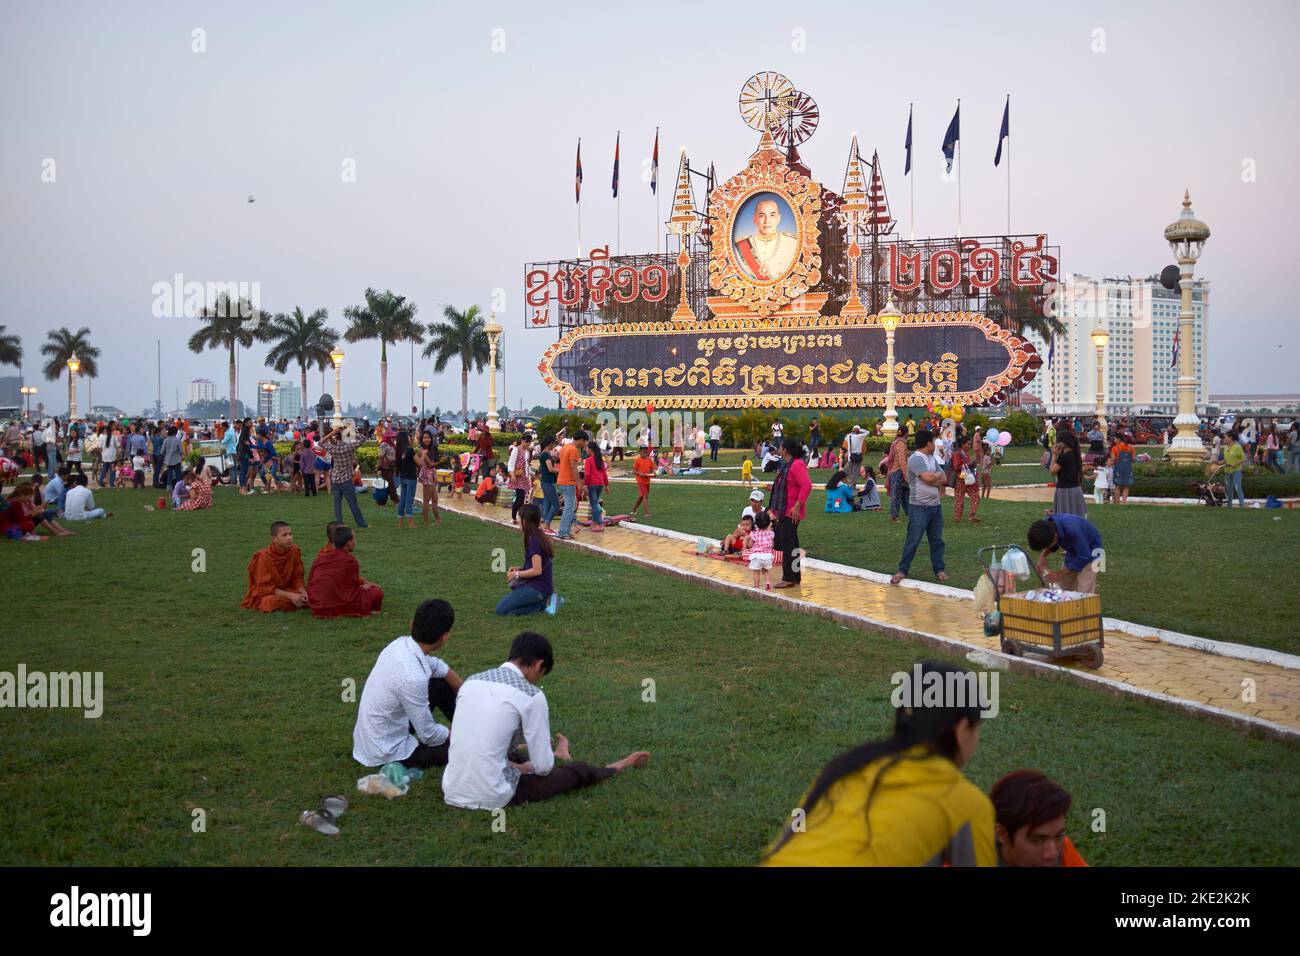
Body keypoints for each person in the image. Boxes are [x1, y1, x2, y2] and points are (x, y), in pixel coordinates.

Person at [762, 661, 995, 866]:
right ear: (962, 728)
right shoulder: (965, 805)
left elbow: (791, 835)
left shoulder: (844, 769)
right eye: (977, 729)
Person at [441, 632, 650, 810]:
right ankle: (618, 765)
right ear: (539, 664)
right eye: (541, 674)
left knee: (497, 746)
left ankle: (540, 758)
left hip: (452, 787)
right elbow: (543, 769)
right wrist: (533, 765)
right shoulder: (530, 695)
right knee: (575, 772)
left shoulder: (471, 681)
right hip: (491, 794)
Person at [352, 599, 463, 769]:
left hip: (378, 734)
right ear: (445, 637)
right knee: (465, 748)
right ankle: (471, 735)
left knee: (439, 685)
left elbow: (436, 666)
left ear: (412, 624)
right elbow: (428, 734)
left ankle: (470, 724)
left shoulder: (400, 644)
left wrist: (466, 692)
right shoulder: (413, 677)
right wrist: (455, 736)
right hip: (386, 752)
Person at [991, 769, 1088, 867]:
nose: (1052, 854)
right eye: (1037, 840)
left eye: (1059, 836)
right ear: (1002, 834)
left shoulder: (1063, 848)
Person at [891, 429, 948, 585]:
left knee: (937, 540)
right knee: (913, 540)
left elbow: (944, 478)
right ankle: (902, 570)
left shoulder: (931, 459)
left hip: (935, 506)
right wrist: (934, 477)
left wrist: (933, 478)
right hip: (919, 508)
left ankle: (939, 569)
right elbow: (930, 478)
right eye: (933, 442)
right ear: (929, 443)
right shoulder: (916, 459)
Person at [496, 503, 562, 616]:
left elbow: (537, 570)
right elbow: (536, 566)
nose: (518, 521)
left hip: (538, 588)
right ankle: (543, 602)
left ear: (525, 521)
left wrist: (516, 574)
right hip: (540, 587)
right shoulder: (537, 536)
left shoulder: (534, 541)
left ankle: (544, 604)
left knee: (501, 610)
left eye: (519, 518)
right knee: (505, 610)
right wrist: (521, 568)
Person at [308, 525, 384, 617]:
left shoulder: (319, 559)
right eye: (354, 539)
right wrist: (364, 587)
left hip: (319, 607)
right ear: (348, 542)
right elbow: (352, 589)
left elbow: (310, 581)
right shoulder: (350, 561)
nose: (355, 542)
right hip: (343, 605)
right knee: (376, 591)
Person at [240, 521, 309, 612]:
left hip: (289, 588)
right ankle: (299, 602)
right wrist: (291, 596)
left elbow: (297, 576)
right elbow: (265, 587)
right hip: (270, 593)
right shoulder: (263, 556)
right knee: (269, 602)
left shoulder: (294, 550)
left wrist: (303, 592)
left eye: (290, 534)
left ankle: (300, 601)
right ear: (274, 539)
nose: (289, 538)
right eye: (284, 535)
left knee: (313, 592)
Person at [769, 438, 810, 589]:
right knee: (792, 542)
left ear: (785, 449)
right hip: (785, 510)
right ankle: (795, 576)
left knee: (787, 543)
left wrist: (798, 506)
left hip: (791, 511)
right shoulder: (789, 464)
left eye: (780, 447)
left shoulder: (797, 465)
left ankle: (788, 578)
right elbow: (788, 485)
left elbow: (807, 485)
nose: (779, 449)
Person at [1027, 513, 1103, 593]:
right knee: (1063, 587)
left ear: (1055, 537)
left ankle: (1084, 603)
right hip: (1073, 550)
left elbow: (1084, 556)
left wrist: (1060, 574)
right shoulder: (1047, 526)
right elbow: (1051, 544)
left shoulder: (1073, 529)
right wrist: (1042, 556)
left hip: (1091, 552)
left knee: (1084, 590)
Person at [323, 426, 368, 528]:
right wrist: (349, 433)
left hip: (335, 479)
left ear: (336, 438)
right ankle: (362, 524)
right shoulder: (349, 448)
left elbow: (321, 442)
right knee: (353, 504)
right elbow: (363, 438)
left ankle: (339, 524)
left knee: (337, 504)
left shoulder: (333, 448)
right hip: (346, 480)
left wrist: (332, 433)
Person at [555, 429, 586, 540]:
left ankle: (566, 531)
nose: (585, 444)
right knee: (569, 507)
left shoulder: (565, 447)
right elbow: (573, 468)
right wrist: (580, 484)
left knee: (571, 507)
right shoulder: (573, 450)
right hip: (568, 481)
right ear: (581, 440)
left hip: (562, 480)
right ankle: (563, 532)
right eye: (585, 441)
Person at [1049, 429, 1087, 518]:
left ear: (1063, 443)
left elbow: (1052, 471)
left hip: (1064, 490)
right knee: (1076, 516)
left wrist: (1054, 454)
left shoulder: (1064, 457)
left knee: (1063, 517)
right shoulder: (1075, 455)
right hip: (1076, 489)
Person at [950, 436, 981, 523]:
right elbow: (956, 466)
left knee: (975, 496)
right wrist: (969, 464)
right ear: (963, 444)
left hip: (967, 477)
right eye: (968, 444)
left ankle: (972, 514)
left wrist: (972, 464)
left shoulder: (966, 454)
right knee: (960, 498)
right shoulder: (957, 454)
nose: (970, 446)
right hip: (961, 478)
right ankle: (958, 517)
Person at [507, 435, 532, 524]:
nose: (528, 444)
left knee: (521, 498)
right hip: (517, 476)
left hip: (524, 477)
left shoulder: (527, 452)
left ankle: (518, 516)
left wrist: (530, 475)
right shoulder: (516, 450)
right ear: (522, 440)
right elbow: (511, 462)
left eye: (529, 442)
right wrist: (512, 474)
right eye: (526, 441)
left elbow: (527, 465)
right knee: (520, 496)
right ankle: (515, 516)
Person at [886, 428, 910, 522]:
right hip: (898, 471)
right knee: (896, 495)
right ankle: (894, 517)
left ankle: (910, 513)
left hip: (896, 471)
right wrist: (905, 474)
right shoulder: (900, 444)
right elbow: (902, 461)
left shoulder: (897, 442)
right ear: (906, 433)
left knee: (905, 494)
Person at [748, 510, 775, 590]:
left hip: (757, 557)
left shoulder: (754, 533)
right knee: (765, 570)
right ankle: (767, 583)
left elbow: (750, 545)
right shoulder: (770, 533)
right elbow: (772, 545)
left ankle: (756, 586)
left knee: (756, 572)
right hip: (767, 557)